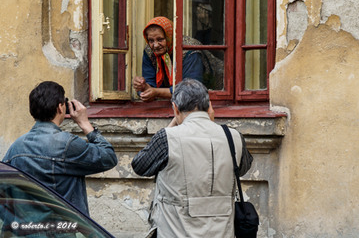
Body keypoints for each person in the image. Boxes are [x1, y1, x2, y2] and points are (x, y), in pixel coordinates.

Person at [131, 78, 253, 238]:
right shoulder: (234, 137)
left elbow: (140, 166)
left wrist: (171, 126)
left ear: (175, 108)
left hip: (175, 233)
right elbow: (242, 169)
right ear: (209, 106)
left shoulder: (167, 138)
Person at [3, 81, 117, 215]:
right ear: (60, 108)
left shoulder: (16, 147)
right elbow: (109, 157)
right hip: (63, 224)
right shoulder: (67, 144)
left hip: (27, 226)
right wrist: (84, 123)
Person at [133, 16, 203, 101]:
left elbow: (192, 90)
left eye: (160, 39)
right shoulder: (149, 51)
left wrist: (156, 92)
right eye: (151, 41)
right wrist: (143, 87)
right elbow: (150, 83)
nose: (155, 45)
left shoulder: (189, 49)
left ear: (169, 36)